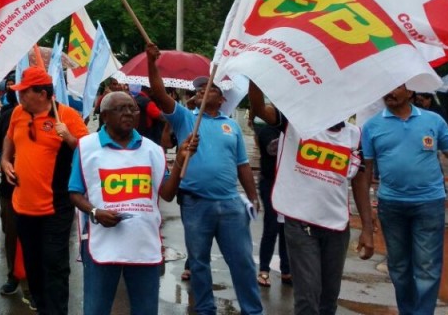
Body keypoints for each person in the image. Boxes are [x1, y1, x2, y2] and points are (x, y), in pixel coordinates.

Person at [144, 43, 263, 315]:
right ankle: (205, 310)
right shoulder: (185, 118)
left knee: (242, 261)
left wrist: (253, 197)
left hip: (232, 204)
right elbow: (160, 95)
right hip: (196, 204)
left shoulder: (231, 125)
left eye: (208, 88)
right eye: (198, 89)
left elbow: (243, 166)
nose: (201, 90)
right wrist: (153, 64)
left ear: (221, 99)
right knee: (198, 262)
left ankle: (253, 310)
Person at [249, 82, 375, 315]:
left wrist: (367, 228)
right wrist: (255, 78)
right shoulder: (296, 123)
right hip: (301, 224)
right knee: (307, 299)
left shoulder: (354, 136)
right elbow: (258, 108)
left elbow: (359, 179)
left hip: (337, 226)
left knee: (328, 301)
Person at [69, 91, 197, 315]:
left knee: (146, 309)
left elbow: (167, 194)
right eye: (121, 109)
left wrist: (179, 161)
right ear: (105, 116)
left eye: (133, 108)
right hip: (102, 244)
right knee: (96, 309)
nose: (128, 113)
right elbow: (75, 193)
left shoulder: (153, 150)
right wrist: (95, 211)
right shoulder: (86, 147)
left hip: (143, 244)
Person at [363, 84, 448, 315]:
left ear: (410, 92)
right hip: (391, 206)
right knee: (398, 267)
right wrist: (367, 220)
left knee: (427, 267)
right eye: (385, 88)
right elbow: (366, 173)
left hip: (429, 203)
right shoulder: (372, 127)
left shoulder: (433, 121)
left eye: (395, 87)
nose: (388, 92)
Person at [1, 66, 89, 315]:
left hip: (55, 208)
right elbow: (9, 138)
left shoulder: (67, 116)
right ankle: (41, 308)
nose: (19, 96)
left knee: (55, 265)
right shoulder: (18, 112)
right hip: (23, 206)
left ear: (41, 93)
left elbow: (89, 154)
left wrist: (69, 138)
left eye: (24, 91)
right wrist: (5, 161)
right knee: (33, 266)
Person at [0, 83, 32, 307]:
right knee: (12, 235)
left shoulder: (56, 115)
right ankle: (13, 277)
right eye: (20, 91)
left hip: (41, 193)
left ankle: (32, 286)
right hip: (10, 188)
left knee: (35, 239)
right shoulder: (9, 115)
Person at [249, 108, 290, 288]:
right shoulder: (266, 130)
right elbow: (272, 149)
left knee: (287, 227)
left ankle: (287, 270)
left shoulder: (296, 130)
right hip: (270, 183)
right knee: (272, 225)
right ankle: (264, 269)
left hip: (290, 184)